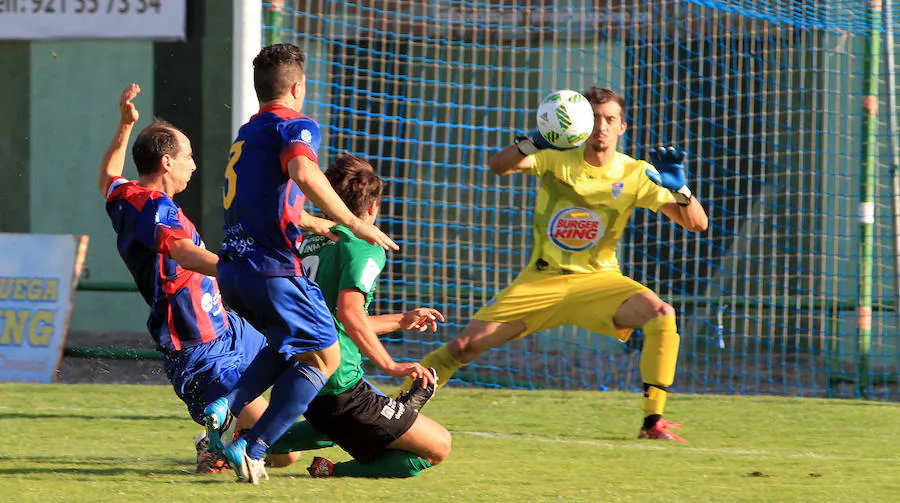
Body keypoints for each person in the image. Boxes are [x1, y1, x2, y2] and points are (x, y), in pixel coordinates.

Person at [401, 87, 709, 442]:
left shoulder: (636, 172)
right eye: (594, 118)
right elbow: (498, 166)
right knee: (462, 348)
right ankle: (395, 411)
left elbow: (696, 224)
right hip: (541, 281)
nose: (601, 127)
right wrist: (533, 141)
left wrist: (682, 190)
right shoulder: (556, 157)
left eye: (610, 119)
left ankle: (653, 421)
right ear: (579, 122)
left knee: (661, 313)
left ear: (623, 126)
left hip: (600, 283)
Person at [203, 43, 420, 484]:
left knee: (286, 348)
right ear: (298, 87)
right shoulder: (296, 125)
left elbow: (268, 202)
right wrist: (352, 224)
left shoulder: (247, 134)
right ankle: (253, 447)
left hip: (233, 269)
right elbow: (304, 173)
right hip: (272, 269)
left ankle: (226, 405)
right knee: (324, 358)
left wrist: (312, 222)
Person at [97, 84, 309, 472]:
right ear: (166, 163)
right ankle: (215, 445)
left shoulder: (125, 194)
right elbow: (180, 251)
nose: (193, 165)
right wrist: (237, 269)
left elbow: (108, 174)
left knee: (302, 351)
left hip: (228, 327)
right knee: (284, 454)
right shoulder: (153, 208)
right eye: (188, 157)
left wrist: (125, 125)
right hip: (199, 348)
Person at [286, 153, 451, 478]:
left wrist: (401, 320)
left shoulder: (305, 241)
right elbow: (349, 314)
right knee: (438, 446)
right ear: (373, 207)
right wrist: (390, 365)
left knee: (334, 426)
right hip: (337, 383)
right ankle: (333, 471)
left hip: (299, 373)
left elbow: (340, 318)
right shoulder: (364, 246)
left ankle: (245, 438)